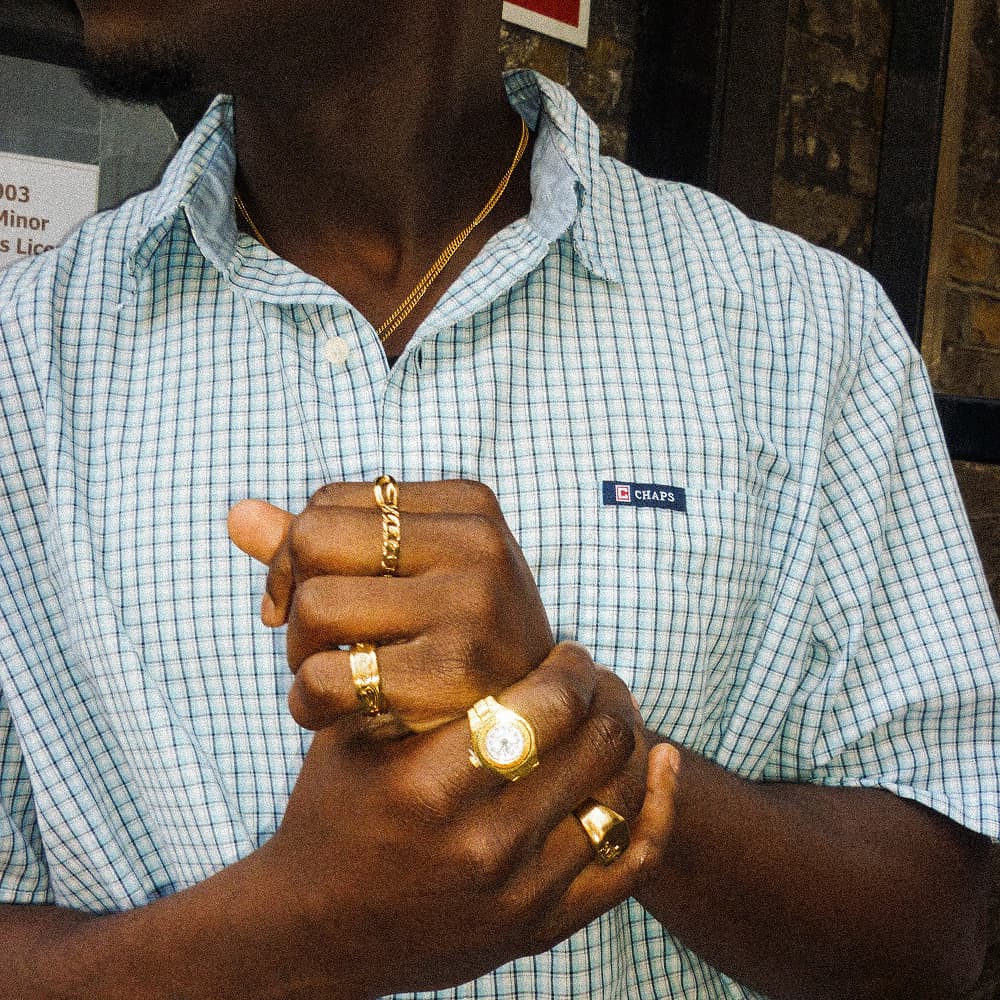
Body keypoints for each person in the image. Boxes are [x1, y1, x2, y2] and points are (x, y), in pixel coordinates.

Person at [0, 0, 996, 996]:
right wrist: (295, 931)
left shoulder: (804, 336)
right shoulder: (24, 364)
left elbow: (939, 934)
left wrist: (580, 747)